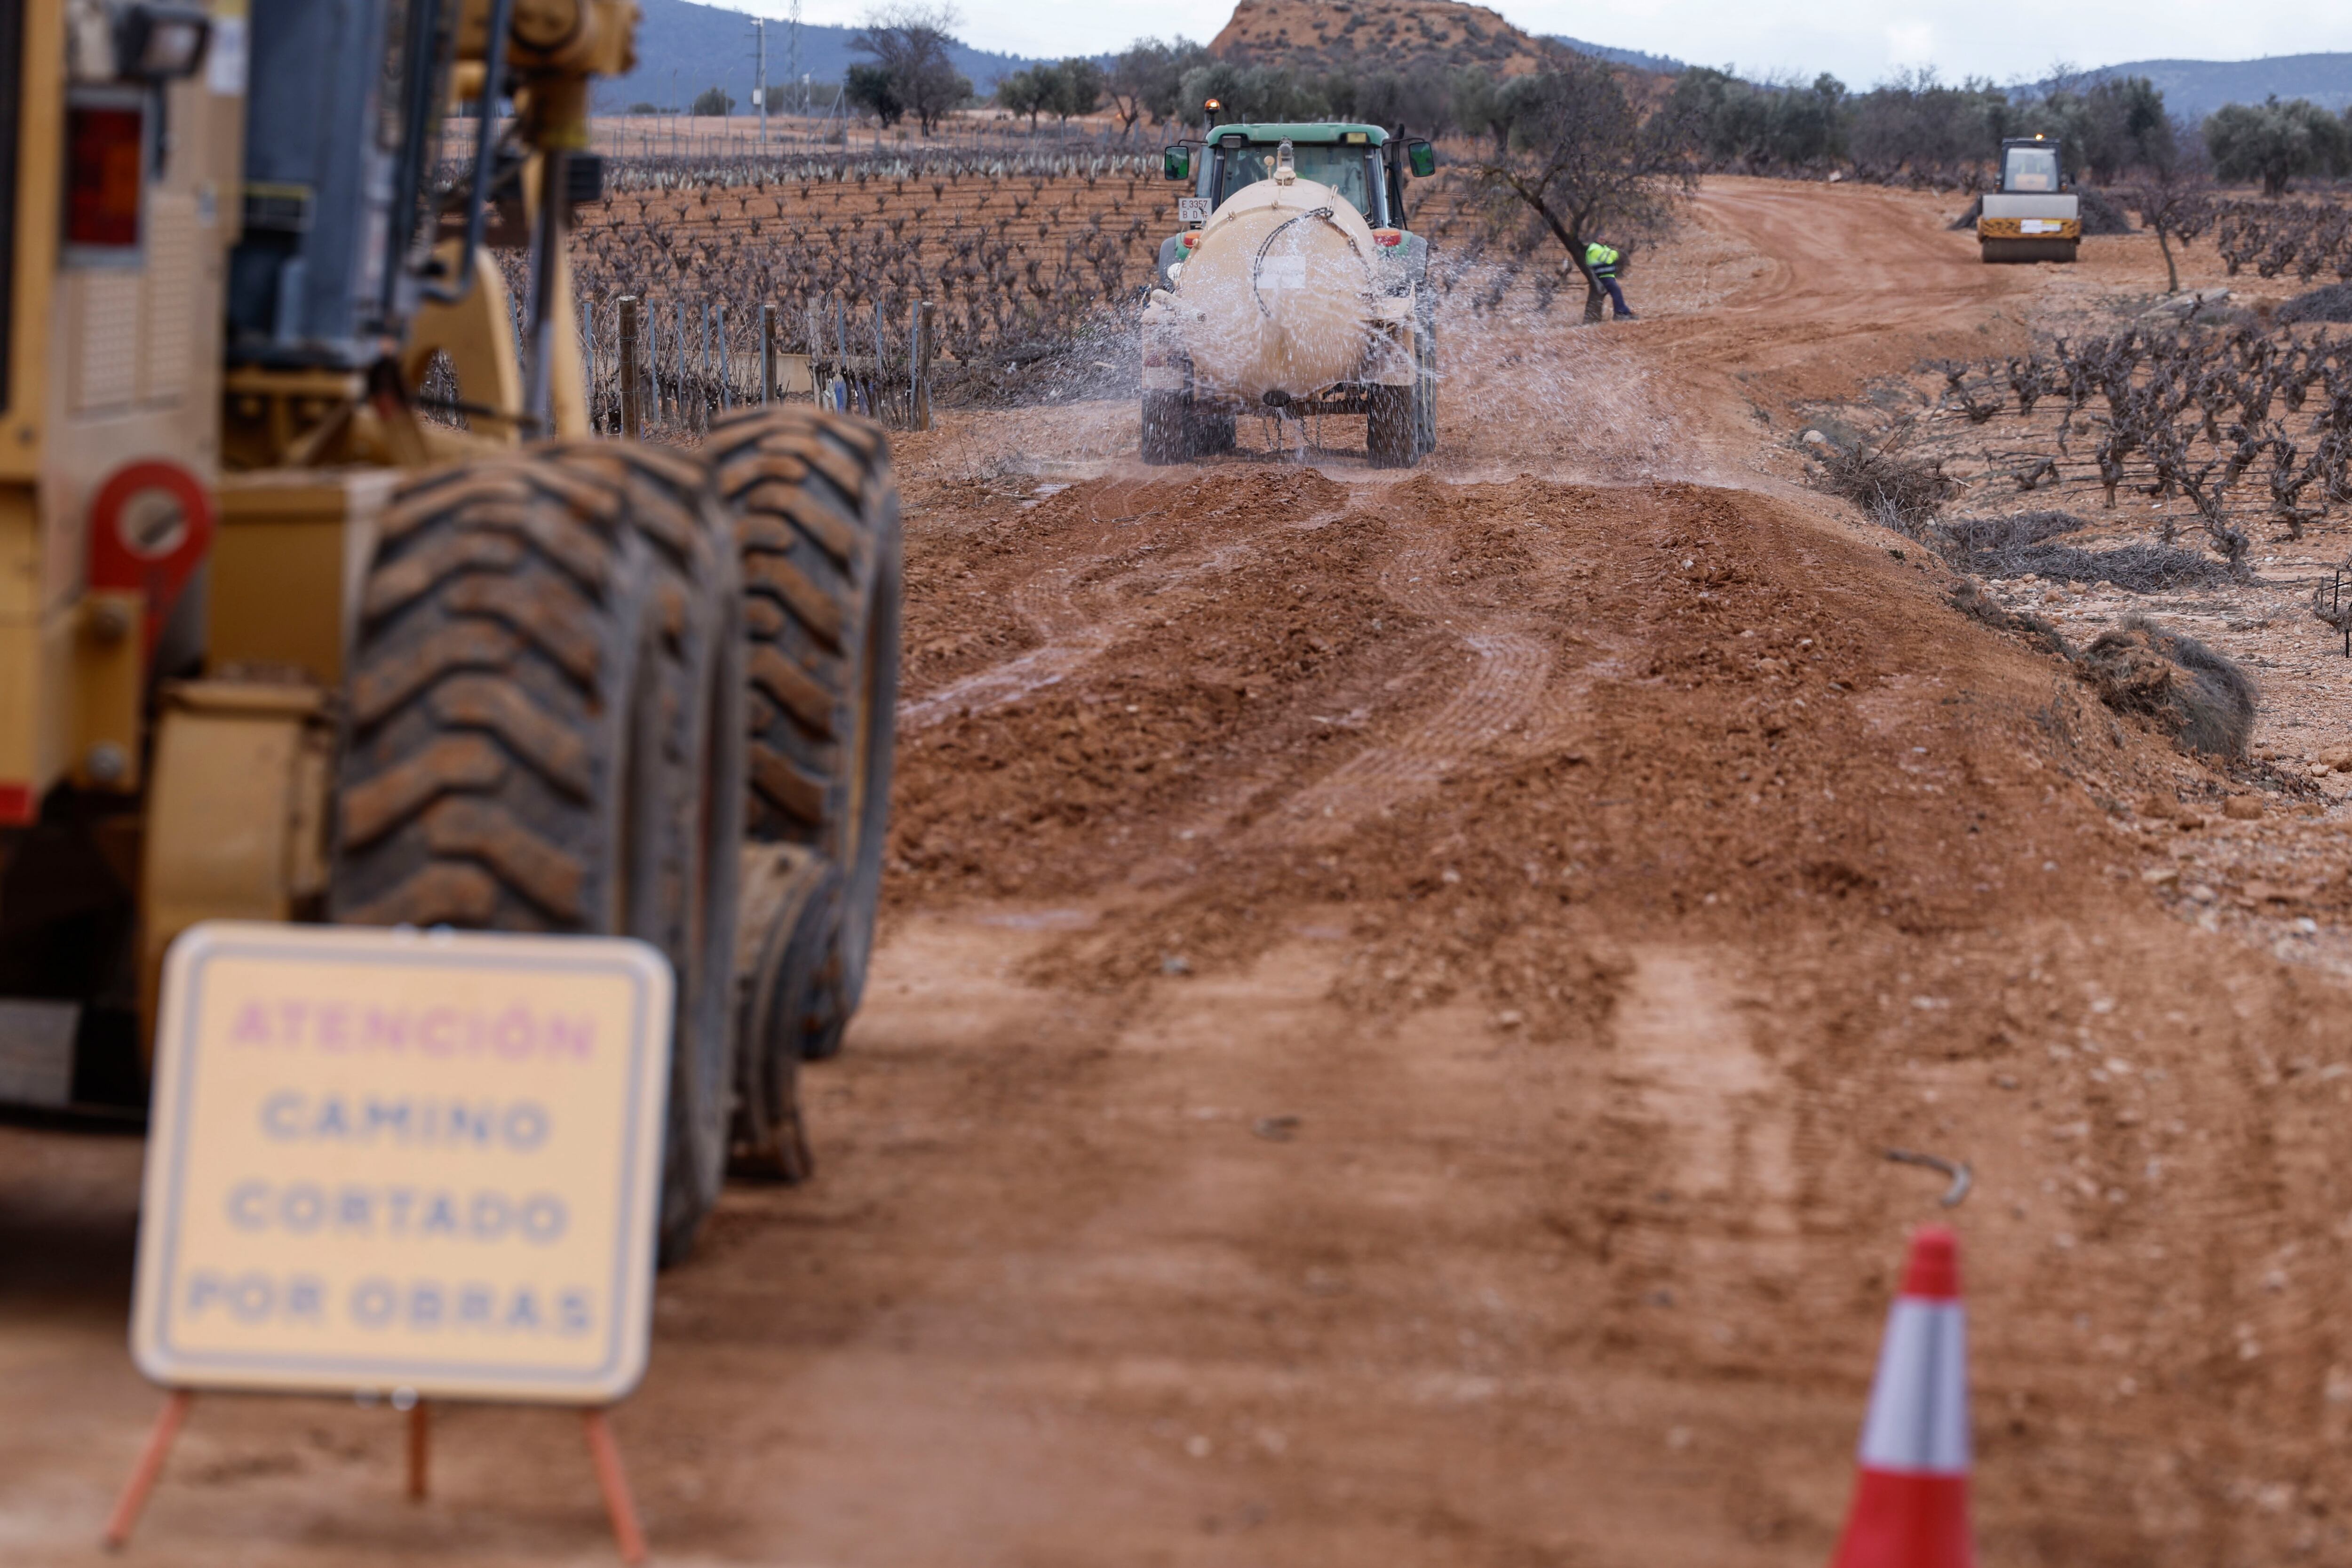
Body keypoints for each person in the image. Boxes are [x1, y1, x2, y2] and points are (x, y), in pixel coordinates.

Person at [1582, 239, 1636, 319]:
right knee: (1616, 291)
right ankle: (1620, 313)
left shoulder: (1603, 248)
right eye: (1602, 239)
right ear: (1597, 239)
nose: (1604, 240)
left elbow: (1613, 256)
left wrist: (1612, 255)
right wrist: (1614, 254)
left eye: (1604, 239)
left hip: (1608, 275)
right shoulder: (1595, 249)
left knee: (1617, 291)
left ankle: (1624, 312)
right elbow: (1609, 260)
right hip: (1603, 276)